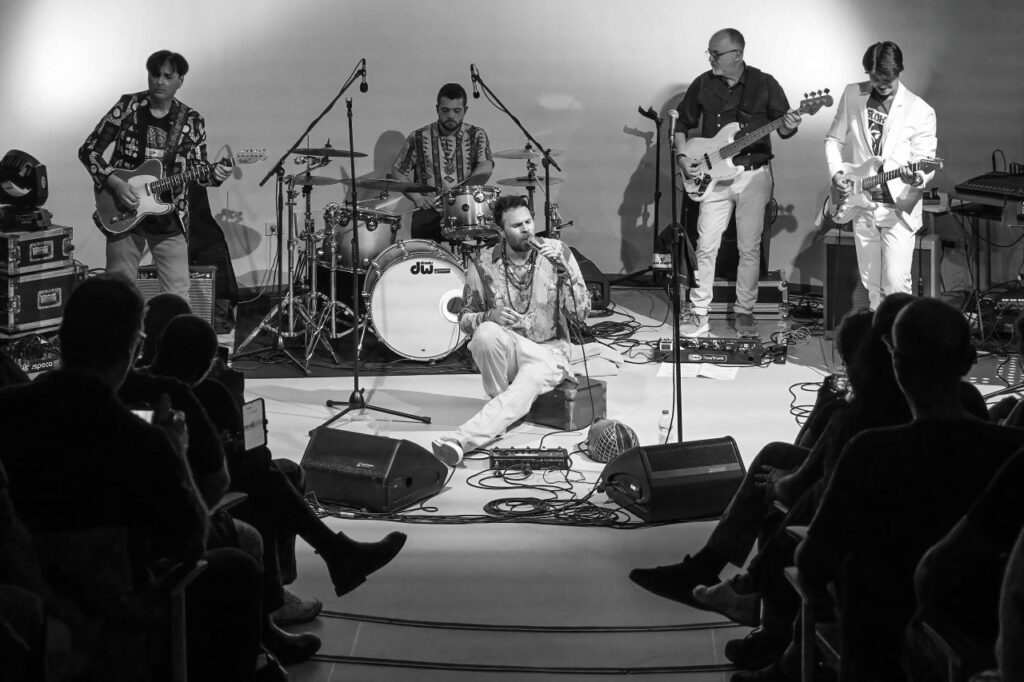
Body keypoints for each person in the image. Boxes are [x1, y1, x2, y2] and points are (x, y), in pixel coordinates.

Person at [794, 298, 1024, 682]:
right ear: (968, 361)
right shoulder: (1013, 454)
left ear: (896, 364)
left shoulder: (869, 452)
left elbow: (813, 562)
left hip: (881, 654)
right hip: (982, 638)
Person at [431, 195, 591, 466]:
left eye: (529, 221)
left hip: (549, 351)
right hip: (509, 350)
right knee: (485, 333)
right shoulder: (483, 262)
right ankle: (502, 409)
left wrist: (565, 273)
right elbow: (464, 321)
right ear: (501, 231)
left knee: (532, 378)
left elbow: (581, 315)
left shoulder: (558, 252)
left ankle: (459, 440)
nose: (527, 229)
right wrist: (489, 316)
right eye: (517, 225)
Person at [675, 28, 802, 338]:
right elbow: (683, 125)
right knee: (706, 245)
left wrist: (790, 124)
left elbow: (784, 130)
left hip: (753, 175)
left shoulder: (765, 83)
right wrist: (682, 156)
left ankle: (745, 311)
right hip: (712, 176)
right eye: (709, 53)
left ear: (737, 55)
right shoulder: (703, 83)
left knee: (749, 247)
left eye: (715, 54)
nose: (710, 59)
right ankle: (699, 312)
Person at [79, 50, 232, 298]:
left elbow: (199, 172)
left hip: (170, 217)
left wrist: (217, 174)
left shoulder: (191, 120)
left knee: (177, 293)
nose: (160, 81)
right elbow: (88, 151)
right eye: (155, 74)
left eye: (168, 76)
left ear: (180, 81)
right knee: (118, 292)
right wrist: (116, 184)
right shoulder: (127, 106)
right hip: (124, 211)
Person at [825, 41, 937, 311]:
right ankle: (880, 335)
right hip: (862, 202)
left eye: (887, 78)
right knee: (871, 284)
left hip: (898, 208)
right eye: (875, 78)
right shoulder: (853, 94)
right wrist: (837, 173)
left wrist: (916, 178)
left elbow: (926, 163)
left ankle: (900, 335)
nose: (881, 84)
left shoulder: (920, 110)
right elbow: (833, 140)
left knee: (896, 284)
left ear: (899, 71)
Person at [391, 83, 494, 242]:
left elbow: (485, 166)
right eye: (445, 110)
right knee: (426, 255)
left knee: (473, 251)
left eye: (457, 111)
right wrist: (417, 198)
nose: (451, 116)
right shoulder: (418, 137)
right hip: (428, 214)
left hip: (465, 211)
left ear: (465, 110)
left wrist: (461, 194)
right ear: (437, 109)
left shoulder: (476, 135)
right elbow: (398, 171)